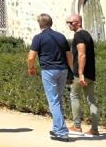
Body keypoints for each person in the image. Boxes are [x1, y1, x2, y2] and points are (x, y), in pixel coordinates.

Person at [28, 13, 74, 142]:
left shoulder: (38, 38)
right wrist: (73, 70)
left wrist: (31, 68)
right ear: (51, 23)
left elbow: (31, 57)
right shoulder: (61, 36)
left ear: (40, 24)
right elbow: (69, 56)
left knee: (53, 101)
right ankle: (56, 127)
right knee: (57, 99)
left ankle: (61, 131)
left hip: (49, 71)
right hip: (63, 70)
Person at [65, 13, 100, 136]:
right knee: (91, 100)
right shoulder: (87, 35)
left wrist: (80, 73)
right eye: (67, 22)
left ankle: (77, 126)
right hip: (91, 72)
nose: (69, 24)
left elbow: (81, 54)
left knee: (74, 96)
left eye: (71, 22)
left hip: (81, 73)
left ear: (78, 23)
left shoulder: (79, 35)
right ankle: (94, 129)